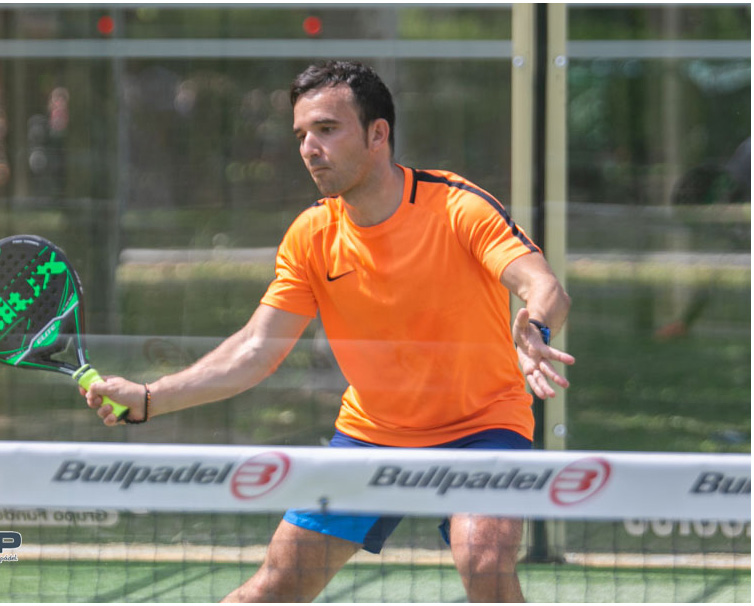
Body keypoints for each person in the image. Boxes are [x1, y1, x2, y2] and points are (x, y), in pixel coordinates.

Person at [82, 60, 575, 603]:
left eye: (326, 129)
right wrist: (150, 398)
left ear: (377, 134)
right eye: (301, 134)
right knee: (273, 588)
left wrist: (536, 326)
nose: (309, 148)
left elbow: (543, 285)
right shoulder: (312, 235)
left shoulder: (459, 207)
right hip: (372, 433)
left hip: (484, 425)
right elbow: (257, 348)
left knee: (484, 563)